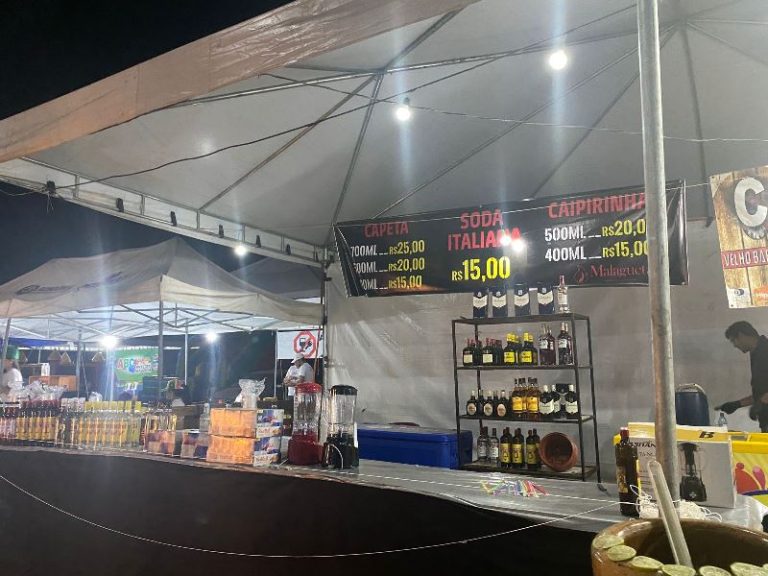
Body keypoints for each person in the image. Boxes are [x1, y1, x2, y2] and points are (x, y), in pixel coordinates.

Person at [717, 321, 768, 432]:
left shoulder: (765, 351)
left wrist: (761, 404)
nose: (735, 345)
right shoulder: (756, 353)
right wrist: (738, 404)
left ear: (741, 335)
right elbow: (762, 392)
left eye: (733, 341)